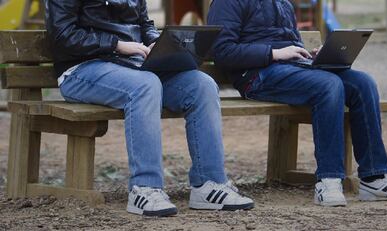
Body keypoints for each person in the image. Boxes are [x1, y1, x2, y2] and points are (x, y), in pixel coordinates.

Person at [45, 0, 254, 217]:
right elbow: (62, 36)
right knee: (145, 86)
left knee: (202, 85)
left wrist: (158, 43)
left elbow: (145, 25)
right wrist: (116, 44)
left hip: (134, 66)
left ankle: (209, 184)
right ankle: (145, 188)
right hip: (82, 69)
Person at [208, 0, 387, 206]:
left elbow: (290, 42)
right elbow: (222, 51)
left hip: (295, 67)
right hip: (257, 75)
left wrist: (314, 55)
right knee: (328, 85)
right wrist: (274, 53)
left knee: (363, 83)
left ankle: (374, 178)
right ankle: (329, 179)